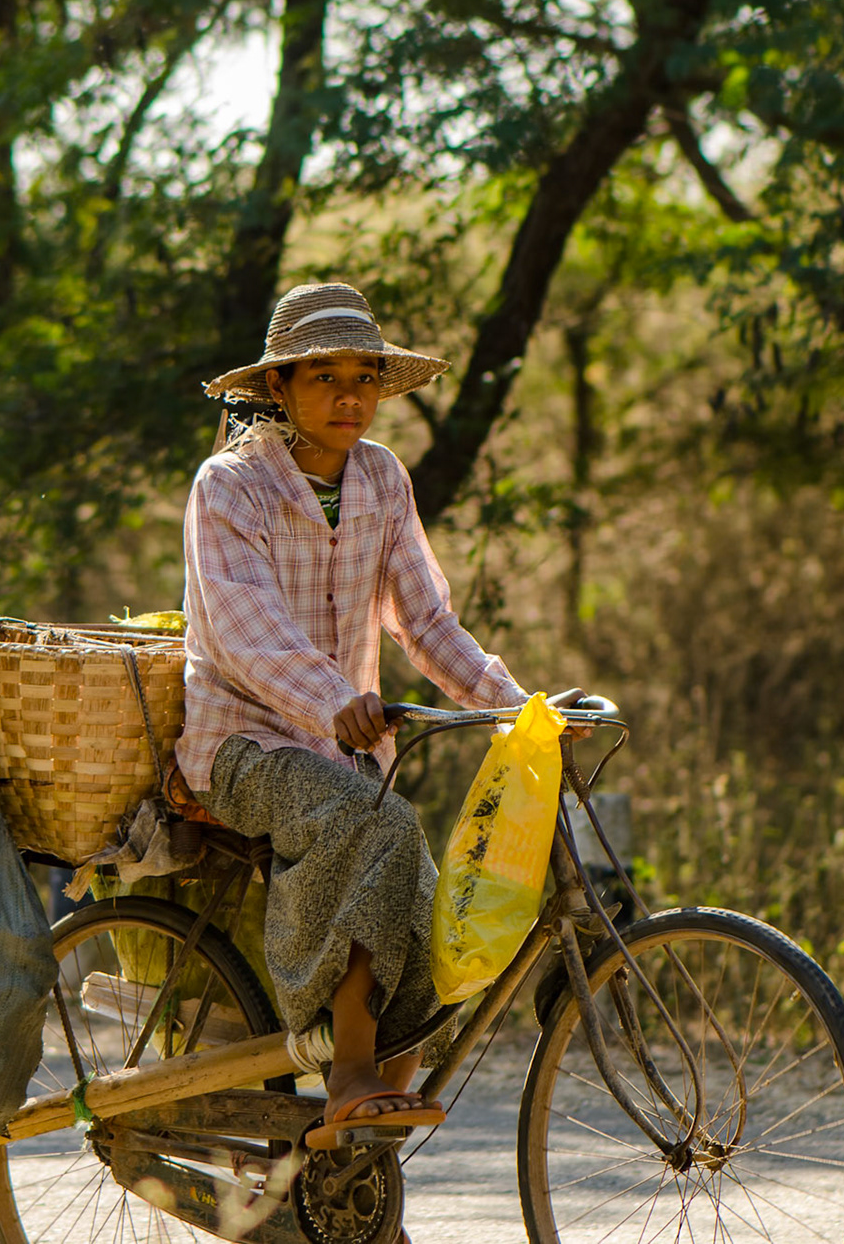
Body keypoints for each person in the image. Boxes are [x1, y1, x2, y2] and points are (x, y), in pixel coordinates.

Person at [176, 282, 540, 1150]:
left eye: (365, 378)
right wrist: (335, 700)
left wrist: (520, 709)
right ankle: (346, 1070)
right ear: (279, 388)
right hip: (240, 743)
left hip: (344, 753)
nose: (349, 397)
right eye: (324, 376)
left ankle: (361, 1161)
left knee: (430, 890)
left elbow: (428, 622)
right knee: (374, 822)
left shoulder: (382, 478)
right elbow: (241, 628)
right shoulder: (230, 486)